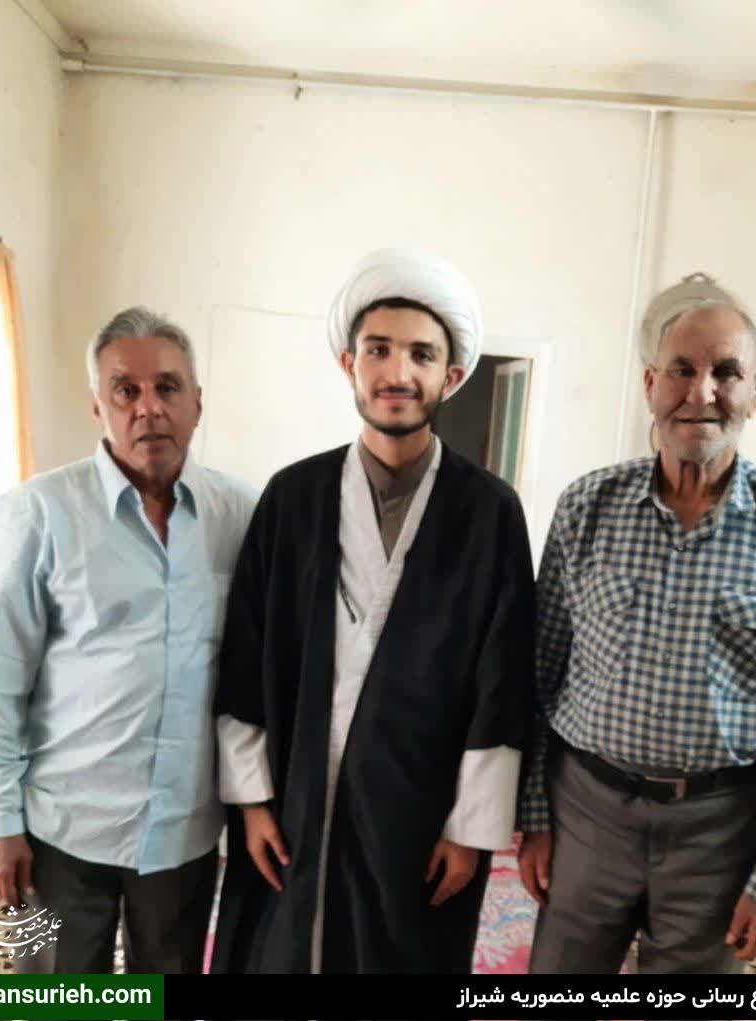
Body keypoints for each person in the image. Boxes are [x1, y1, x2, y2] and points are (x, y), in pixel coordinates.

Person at [210, 247, 535, 974]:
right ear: (348, 363)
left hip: (421, 810)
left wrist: (471, 827)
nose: (398, 373)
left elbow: (504, 677)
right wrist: (252, 802)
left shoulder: (489, 513)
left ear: (452, 375)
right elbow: (246, 652)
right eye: (379, 350)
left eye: (422, 355)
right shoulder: (292, 498)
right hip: (293, 799)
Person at [518, 272, 756, 973]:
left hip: (721, 832)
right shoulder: (586, 507)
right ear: (650, 383)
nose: (701, 392)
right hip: (586, 814)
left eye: (726, 371)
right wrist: (535, 817)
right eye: (681, 369)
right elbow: (539, 676)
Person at [0, 307, 257, 973]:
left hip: (183, 835)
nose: (148, 407)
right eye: (126, 390)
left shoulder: (241, 514)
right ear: (98, 406)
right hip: (59, 833)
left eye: (167, 387)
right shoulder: (35, 515)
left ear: (197, 402)